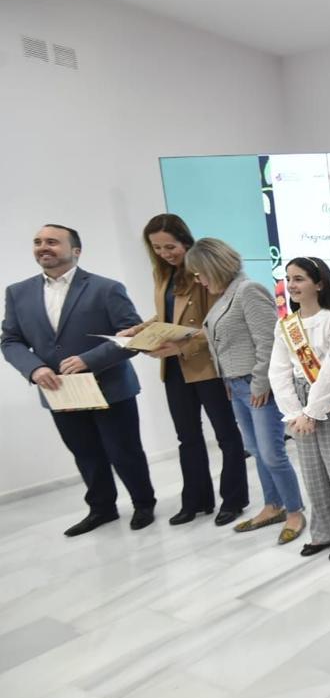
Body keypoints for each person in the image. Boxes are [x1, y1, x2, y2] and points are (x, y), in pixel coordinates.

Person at [2, 224, 156, 535]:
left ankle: (143, 504)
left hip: (109, 388)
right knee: (85, 453)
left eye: (52, 242)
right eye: (38, 242)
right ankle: (102, 509)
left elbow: (135, 337)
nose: (43, 247)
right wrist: (33, 368)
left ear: (76, 251)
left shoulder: (107, 288)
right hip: (59, 390)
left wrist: (89, 359)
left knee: (124, 451)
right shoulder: (17, 292)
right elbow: (10, 340)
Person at [121, 214, 248, 527]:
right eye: (157, 248)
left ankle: (233, 500)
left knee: (227, 437)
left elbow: (218, 323)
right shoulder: (162, 273)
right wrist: (141, 329)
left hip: (206, 365)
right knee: (187, 438)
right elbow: (169, 314)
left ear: (185, 241)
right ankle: (196, 501)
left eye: (170, 246)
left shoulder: (203, 271)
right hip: (174, 368)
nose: (165, 253)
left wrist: (181, 347)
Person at [185, 238, 305, 542]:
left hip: (257, 386)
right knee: (255, 450)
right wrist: (227, 380)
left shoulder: (248, 290)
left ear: (213, 266)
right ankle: (272, 505)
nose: (198, 281)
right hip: (236, 385)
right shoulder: (226, 295)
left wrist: (260, 383)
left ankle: (294, 511)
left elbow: (269, 341)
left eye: (199, 273)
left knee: (272, 453)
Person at [269, 257, 330, 560]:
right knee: (312, 473)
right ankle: (323, 531)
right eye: (289, 279)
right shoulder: (286, 325)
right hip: (299, 405)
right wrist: (295, 411)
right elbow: (279, 370)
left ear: (319, 283)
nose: (292, 285)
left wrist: (313, 411)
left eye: (299, 279)